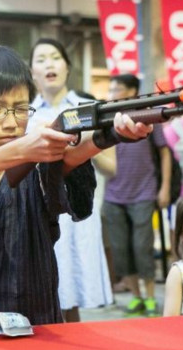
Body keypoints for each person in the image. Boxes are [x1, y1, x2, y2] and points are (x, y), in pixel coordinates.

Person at [0, 43, 151, 335]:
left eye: (21, 108)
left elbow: (70, 156)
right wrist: (23, 149)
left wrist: (112, 135)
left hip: (35, 323)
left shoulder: (36, 165)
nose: (12, 122)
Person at [28, 38, 113, 322]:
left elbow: (111, 166)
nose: (49, 64)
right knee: (39, 296)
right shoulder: (24, 113)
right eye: (41, 59)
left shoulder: (89, 106)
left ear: (67, 66)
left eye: (55, 57)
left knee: (71, 297)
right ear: (32, 72)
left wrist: (83, 145)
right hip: (36, 213)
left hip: (76, 213)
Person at [102, 73, 172, 317]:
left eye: (118, 88)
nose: (113, 93)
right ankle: (136, 297)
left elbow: (164, 153)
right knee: (121, 250)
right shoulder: (107, 115)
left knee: (142, 248)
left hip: (143, 192)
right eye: (111, 89)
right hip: (113, 195)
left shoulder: (147, 114)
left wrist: (163, 188)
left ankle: (151, 298)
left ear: (132, 91)